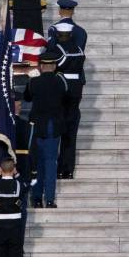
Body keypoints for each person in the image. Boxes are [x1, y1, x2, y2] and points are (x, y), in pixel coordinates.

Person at [24, 51, 68, 208]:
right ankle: (49, 200)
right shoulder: (60, 81)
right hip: (53, 126)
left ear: (41, 66)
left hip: (37, 126)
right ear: (54, 66)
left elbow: (27, 97)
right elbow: (66, 96)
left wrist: (31, 79)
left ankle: (36, 199)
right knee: (50, 163)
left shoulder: (34, 82)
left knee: (37, 163)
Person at [49, 23, 85, 180]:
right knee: (71, 135)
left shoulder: (58, 50)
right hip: (76, 91)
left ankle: (56, 167)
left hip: (62, 91)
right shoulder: (78, 49)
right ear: (70, 35)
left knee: (57, 131)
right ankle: (68, 169)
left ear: (58, 35)